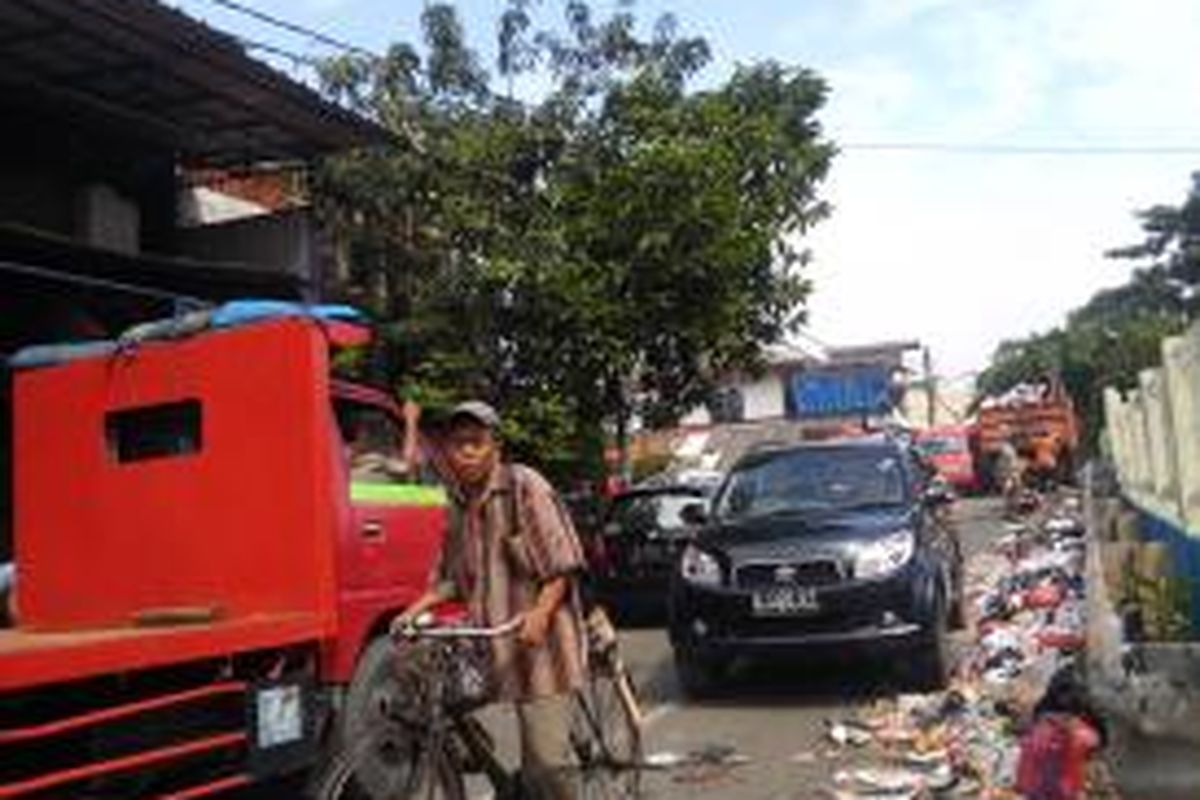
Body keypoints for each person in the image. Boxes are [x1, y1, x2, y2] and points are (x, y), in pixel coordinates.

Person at [394, 401, 587, 800]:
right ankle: (466, 750)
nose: (466, 452)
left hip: (541, 649)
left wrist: (540, 614)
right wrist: (415, 610)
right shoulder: (457, 504)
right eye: (457, 443)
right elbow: (451, 579)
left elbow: (563, 566)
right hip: (490, 645)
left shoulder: (524, 485)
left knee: (549, 768)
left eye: (475, 442)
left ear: (495, 447)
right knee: (412, 664)